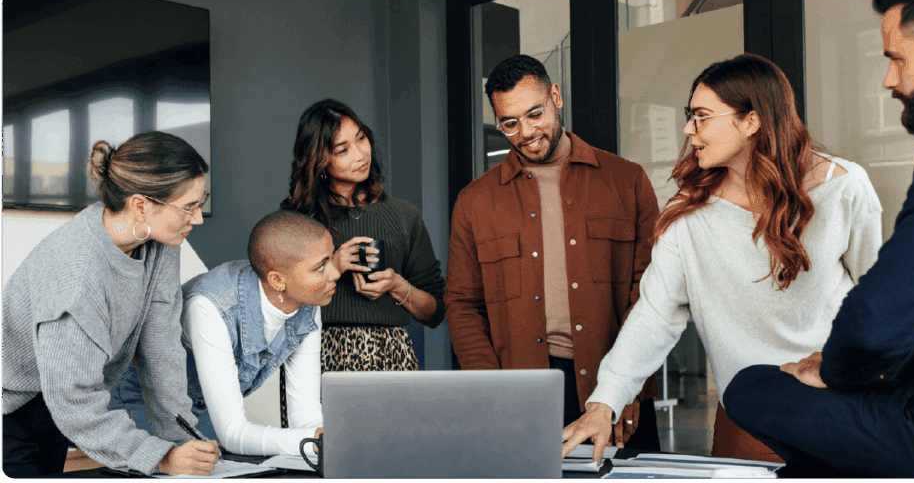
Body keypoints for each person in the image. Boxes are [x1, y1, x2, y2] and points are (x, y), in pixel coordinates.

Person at [721, 0, 914, 477]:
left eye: (897, 59)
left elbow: (879, 316)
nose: (889, 81)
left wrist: (833, 372)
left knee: (752, 387)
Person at [561, 53, 884, 463]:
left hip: (841, 410)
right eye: (689, 116)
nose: (687, 130)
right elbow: (655, 316)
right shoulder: (689, 213)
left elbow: (877, 302)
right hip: (747, 420)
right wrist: (604, 402)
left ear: (751, 121)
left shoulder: (844, 188)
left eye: (701, 116)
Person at [445, 54, 662, 451]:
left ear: (556, 96)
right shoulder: (474, 202)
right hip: (520, 394)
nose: (525, 131)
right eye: (509, 123)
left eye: (535, 114)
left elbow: (650, 296)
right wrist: (491, 390)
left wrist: (629, 386)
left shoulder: (627, 181)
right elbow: (462, 304)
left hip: (613, 385)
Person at [2, 131, 219, 476]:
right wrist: (160, 458)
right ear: (140, 204)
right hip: (14, 411)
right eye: (188, 206)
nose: (196, 218)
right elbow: (73, 400)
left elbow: (161, 347)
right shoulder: (76, 275)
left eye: (200, 201)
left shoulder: (159, 242)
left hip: (56, 402)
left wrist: (182, 440)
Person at [109, 210, 339, 456]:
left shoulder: (308, 302)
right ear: (277, 280)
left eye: (331, 259)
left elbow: (305, 415)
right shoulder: (211, 307)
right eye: (320, 267)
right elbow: (233, 434)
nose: (335, 273)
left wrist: (325, 441)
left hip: (201, 403)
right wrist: (313, 441)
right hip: (146, 397)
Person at [280, 99, 445, 385]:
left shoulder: (403, 216)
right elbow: (278, 303)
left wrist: (397, 285)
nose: (360, 154)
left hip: (392, 358)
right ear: (319, 160)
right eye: (343, 150)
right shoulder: (297, 221)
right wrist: (333, 266)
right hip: (314, 358)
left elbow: (435, 312)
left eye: (361, 139)